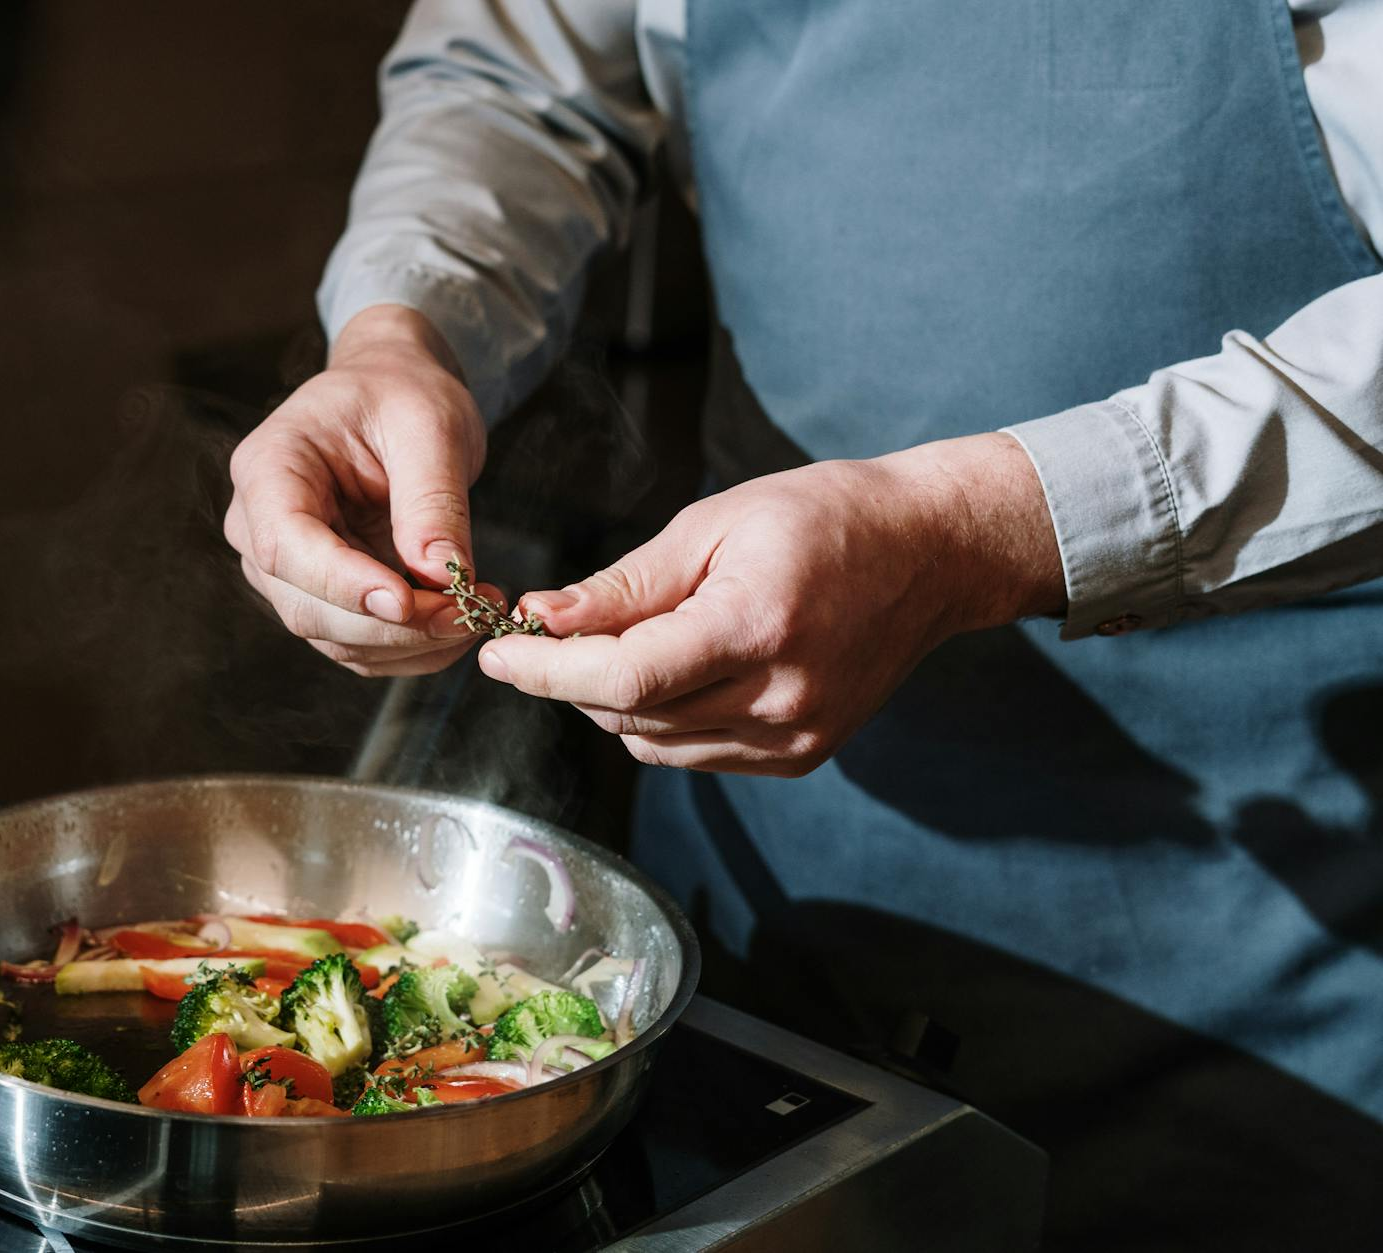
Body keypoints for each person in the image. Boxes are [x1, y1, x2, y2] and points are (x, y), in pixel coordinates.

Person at [223, 2, 1383, 1246]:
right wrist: (401, 329)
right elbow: (513, 66)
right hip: (759, 902)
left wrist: (970, 530)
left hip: (1265, 940)